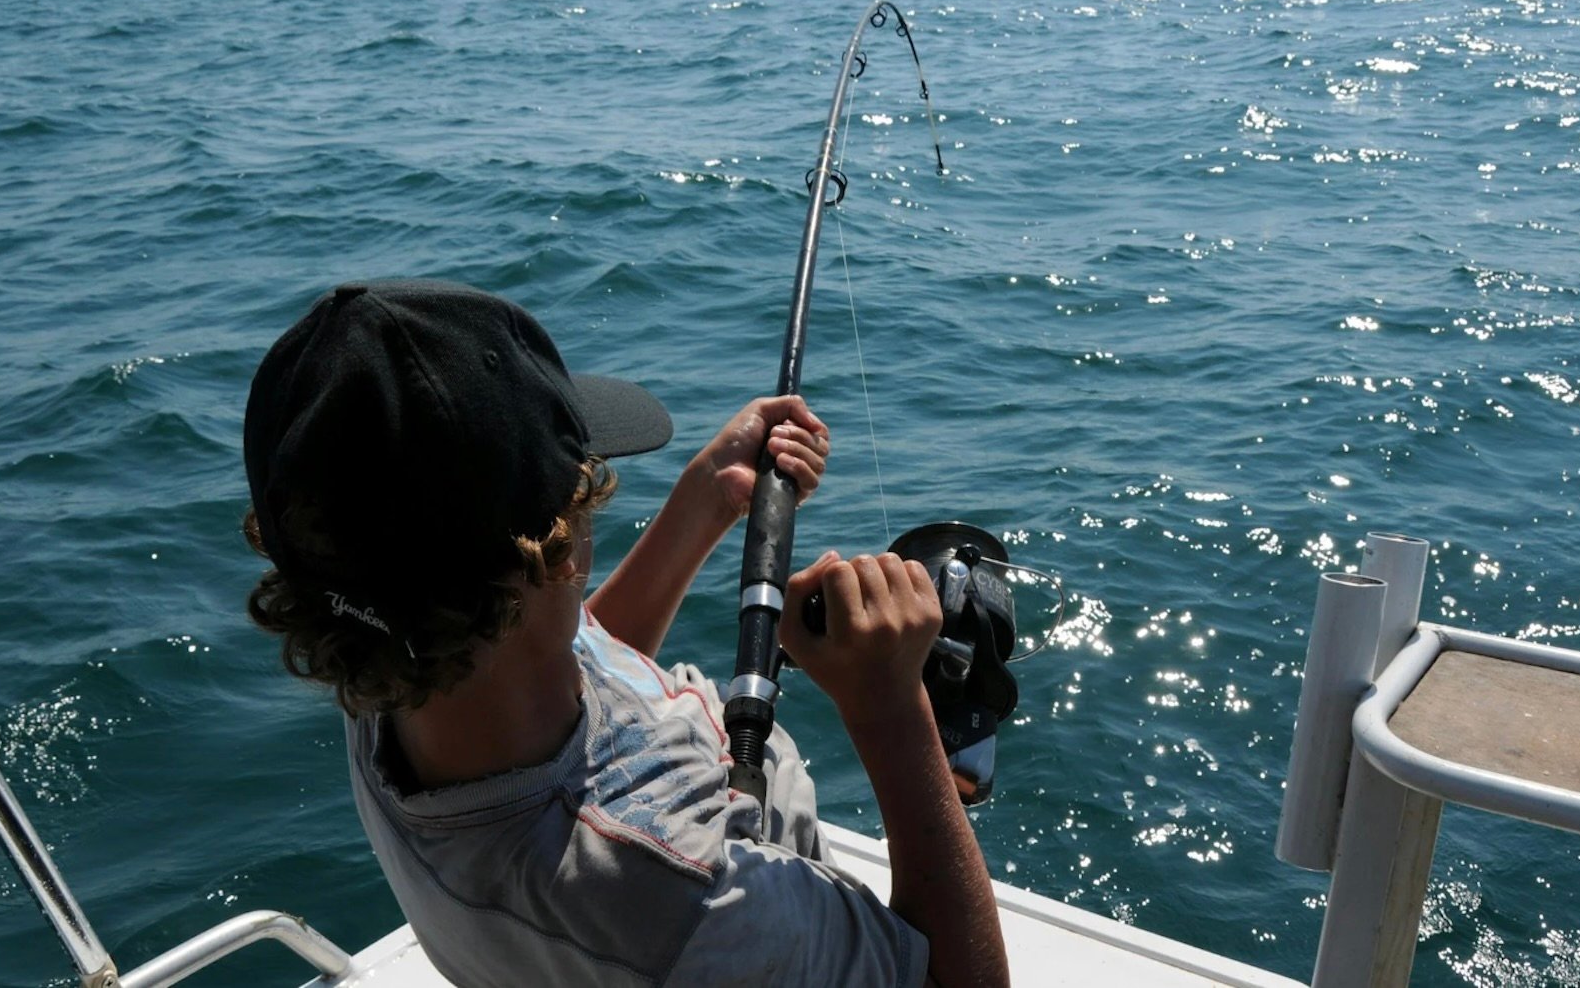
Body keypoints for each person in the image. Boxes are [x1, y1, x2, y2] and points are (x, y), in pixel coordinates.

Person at [241, 278, 1007, 987]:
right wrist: (889, 707)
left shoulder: (385, 655)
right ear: (559, 552)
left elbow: (560, 650)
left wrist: (705, 500)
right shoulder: (685, 900)